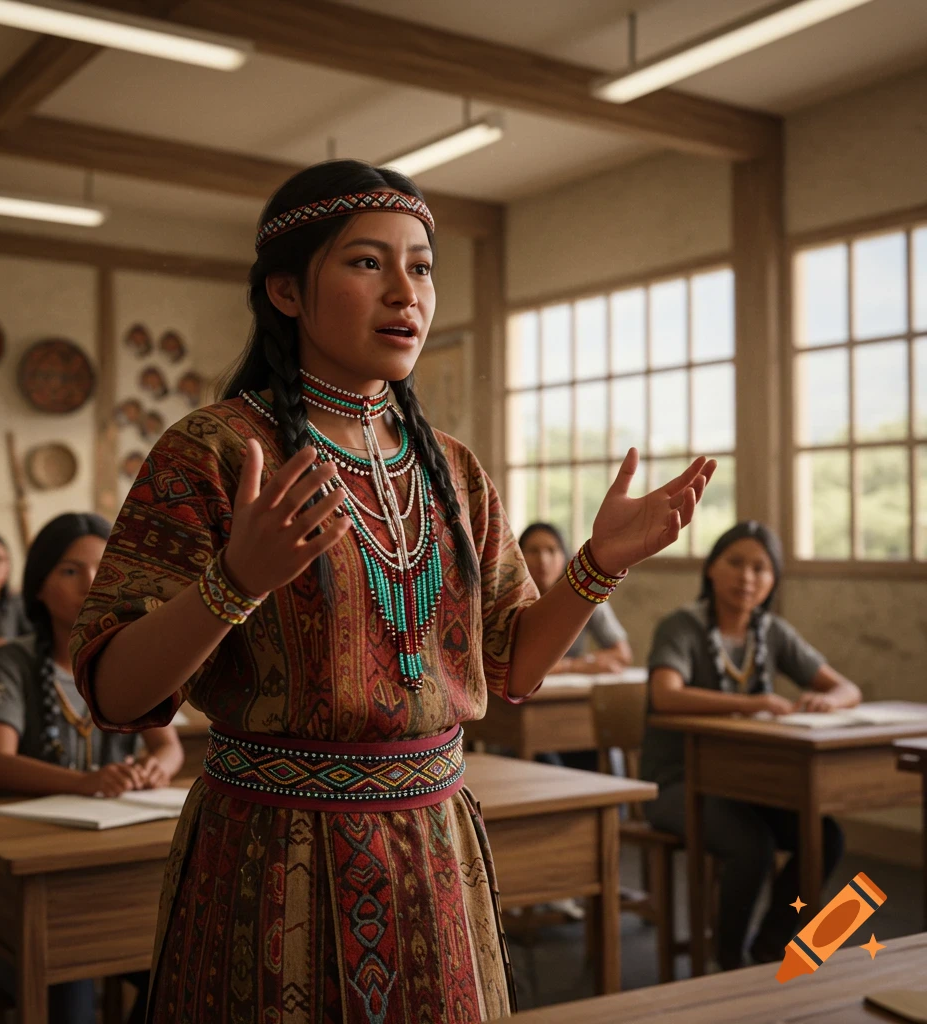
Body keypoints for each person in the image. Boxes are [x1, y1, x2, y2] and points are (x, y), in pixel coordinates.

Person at [70, 160, 716, 1023]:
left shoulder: (452, 467)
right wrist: (235, 584)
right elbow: (115, 690)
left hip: (433, 850)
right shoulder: (216, 450)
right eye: (367, 263)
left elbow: (513, 666)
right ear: (287, 292)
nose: (405, 291)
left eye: (421, 266)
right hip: (271, 854)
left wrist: (600, 564)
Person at [0, 513, 183, 1024]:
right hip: (28, 874)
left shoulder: (127, 658)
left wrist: (156, 767)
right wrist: (86, 784)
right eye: (69, 571)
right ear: (38, 584)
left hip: (111, 864)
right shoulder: (9, 662)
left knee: (175, 971)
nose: (91, 582)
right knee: (68, 984)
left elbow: (170, 749)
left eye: (101, 567)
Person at [640, 521, 862, 971]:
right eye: (735, 563)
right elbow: (666, 693)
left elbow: (847, 688)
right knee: (751, 846)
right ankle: (728, 961)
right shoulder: (681, 625)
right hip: (675, 785)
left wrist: (827, 699)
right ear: (710, 569)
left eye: (761, 568)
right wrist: (751, 702)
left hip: (746, 785)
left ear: (774, 580)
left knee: (827, 836)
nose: (747, 577)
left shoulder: (772, 631)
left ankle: (772, 944)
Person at [519, 522, 633, 674]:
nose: (543, 560)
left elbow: (622, 655)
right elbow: (514, 668)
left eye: (552, 550)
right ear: (518, 556)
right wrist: (574, 666)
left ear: (565, 556)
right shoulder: (507, 599)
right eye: (533, 551)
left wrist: (574, 664)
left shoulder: (585, 595)